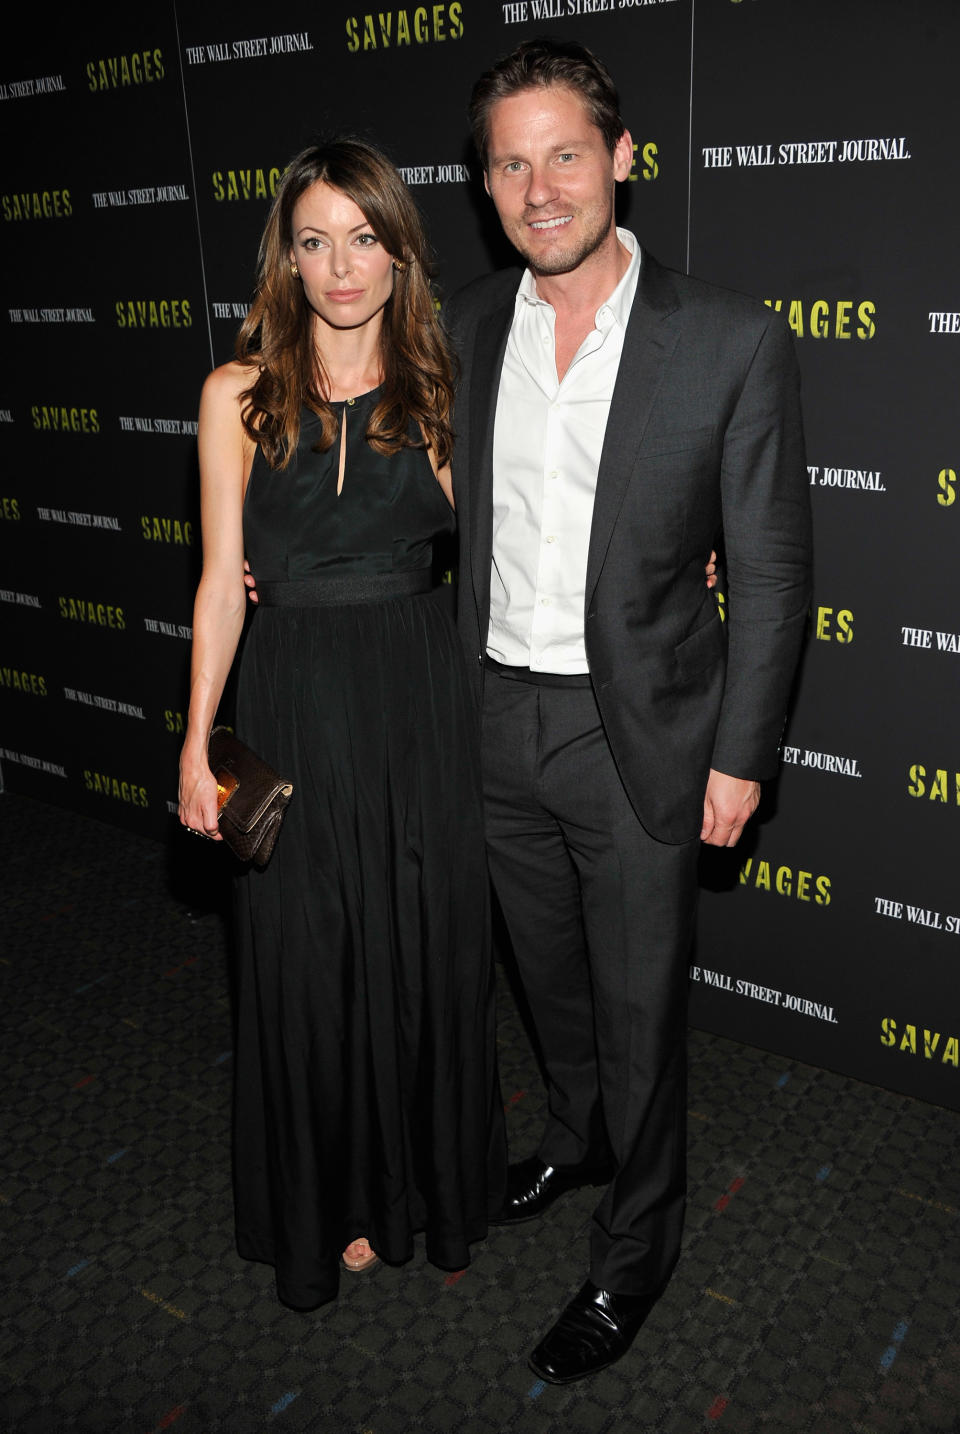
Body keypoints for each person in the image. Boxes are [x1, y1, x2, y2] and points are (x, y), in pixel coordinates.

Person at [442, 39, 812, 1383]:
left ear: (621, 160)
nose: (541, 187)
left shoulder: (728, 340)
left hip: (639, 732)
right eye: (510, 161)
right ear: (484, 182)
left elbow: (769, 571)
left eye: (566, 153)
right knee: (545, 978)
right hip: (490, 716)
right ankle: (575, 1131)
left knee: (642, 1005)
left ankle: (636, 1243)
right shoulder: (467, 325)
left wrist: (740, 759)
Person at [178, 139, 505, 1311]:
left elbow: (520, 540)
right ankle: (338, 1206)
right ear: (289, 257)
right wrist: (194, 740)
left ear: (397, 247)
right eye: (314, 241)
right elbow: (222, 581)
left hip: (420, 701)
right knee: (307, 966)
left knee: (423, 954)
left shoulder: (442, 390)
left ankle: (421, 1191)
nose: (340, 266)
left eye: (362, 237)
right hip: (294, 699)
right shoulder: (237, 394)